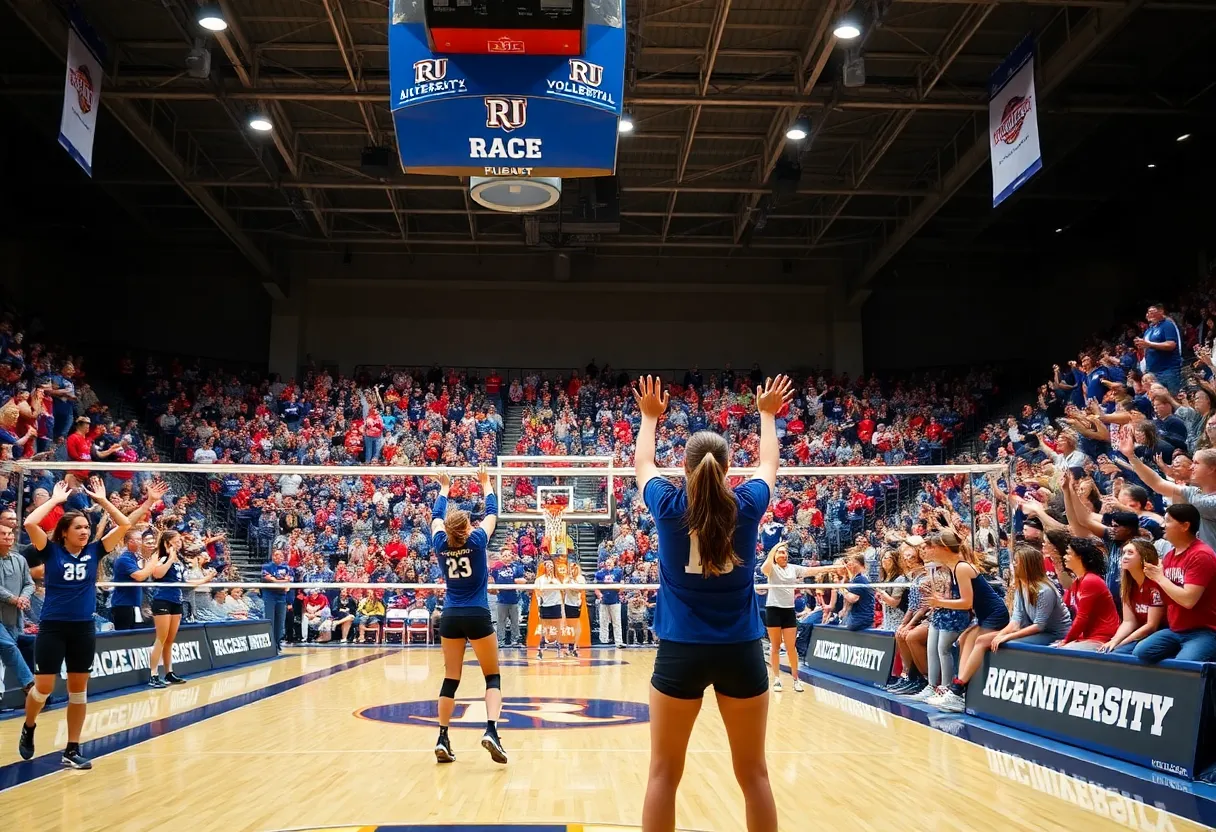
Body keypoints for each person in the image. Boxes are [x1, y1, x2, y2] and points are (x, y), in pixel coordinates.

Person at [634, 374, 792, 832]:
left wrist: (650, 417)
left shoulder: (667, 504)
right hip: (741, 651)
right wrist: (766, 415)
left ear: (684, 469)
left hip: (680, 651)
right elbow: (768, 464)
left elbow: (643, 461)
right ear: (725, 470)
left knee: (663, 775)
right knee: (754, 776)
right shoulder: (746, 502)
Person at [19, 479, 133, 770]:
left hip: (83, 627)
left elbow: (123, 525)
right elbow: (31, 522)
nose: (84, 532)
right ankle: (29, 725)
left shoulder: (95, 551)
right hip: (53, 627)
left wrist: (103, 500)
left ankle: (72, 749)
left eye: (86, 527)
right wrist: (55, 500)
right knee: (43, 688)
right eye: (78, 528)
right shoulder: (50, 550)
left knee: (78, 691)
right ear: (65, 532)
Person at [430, 465, 505, 764]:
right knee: (492, 677)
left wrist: (444, 488)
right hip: (477, 613)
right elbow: (492, 512)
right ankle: (491, 731)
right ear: (467, 528)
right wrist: (486, 483)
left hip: (450, 615)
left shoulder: (439, 543)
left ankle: (442, 736)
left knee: (451, 678)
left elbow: (436, 518)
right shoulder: (476, 542)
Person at [1134, 503, 1216, 662]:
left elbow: (1188, 600)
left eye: (1168, 521)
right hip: (1175, 629)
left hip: (1205, 631)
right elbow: (1167, 598)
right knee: (1141, 653)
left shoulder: (1201, 555)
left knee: (1182, 666)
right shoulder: (1170, 555)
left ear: (1185, 525)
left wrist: (1159, 578)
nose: (1163, 525)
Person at [148, 530, 212, 688]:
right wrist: (170, 558)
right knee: (160, 638)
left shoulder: (179, 563)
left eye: (179, 541)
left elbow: (185, 584)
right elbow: (157, 573)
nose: (179, 544)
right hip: (162, 600)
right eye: (176, 541)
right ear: (167, 543)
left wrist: (206, 579)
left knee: (170, 640)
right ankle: (153, 674)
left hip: (176, 602)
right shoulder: (162, 558)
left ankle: (169, 672)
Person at [759, 541, 814, 692]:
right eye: (780, 552)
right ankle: (776, 679)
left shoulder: (793, 569)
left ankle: (796, 679)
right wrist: (775, 547)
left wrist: (836, 567)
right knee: (775, 647)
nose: (783, 555)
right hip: (773, 610)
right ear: (774, 555)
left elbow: (813, 571)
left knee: (791, 647)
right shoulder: (771, 569)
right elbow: (765, 566)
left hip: (788, 611)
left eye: (784, 552)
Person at [1100, 539, 1165, 654]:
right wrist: (1114, 641)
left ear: (1144, 557)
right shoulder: (1127, 586)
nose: (1124, 556)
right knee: (1111, 651)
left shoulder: (1155, 585)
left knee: (1119, 652)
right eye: (1123, 553)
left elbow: (1151, 625)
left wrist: (1122, 643)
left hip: (1159, 633)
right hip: (1140, 633)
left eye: (1130, 553)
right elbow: (1129, 622)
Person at [1056, 537, 1120, 651]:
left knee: (1061, 652)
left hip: (1101, 638)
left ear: (1080, 557)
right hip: (1085, 637)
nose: (1064, 557)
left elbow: (1082, 617)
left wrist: (1066, 640)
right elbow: (1064, 607)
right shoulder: (1076, 582)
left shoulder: (1090, 581)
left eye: (1068, 554)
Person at [0, 522, 35, 696]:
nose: (8, 537)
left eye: (10, 534)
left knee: (9, 647)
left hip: (13, 616)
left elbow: (30, 583)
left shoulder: (19, 560)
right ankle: (29, 684)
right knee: (8, 646)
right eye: (3, 534)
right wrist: (14, 599)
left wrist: (24, 597)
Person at [491, 547, 525, 648]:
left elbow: (521, 580)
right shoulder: (496, 568)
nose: (506, 558)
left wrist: (515, 581)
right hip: (501, 599)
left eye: (508, 555)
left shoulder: (517, 567)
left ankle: (515, 640)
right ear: (501, 557)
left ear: (512, 556)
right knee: (501, 622)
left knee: (515, 622)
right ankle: (500, 641)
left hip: (514, 599)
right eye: (504, 556)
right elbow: (492, 579)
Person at [262, 548, 292, 647]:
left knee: (280, 621)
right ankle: (270, 644)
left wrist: (276, 580)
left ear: (283, 557)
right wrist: (280, 581)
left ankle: (278, 643)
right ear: (272, 556)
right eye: (276, 555)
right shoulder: (266, 567)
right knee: (270, 619)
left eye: (280, 555)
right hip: (269, 596)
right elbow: (270, 580)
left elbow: (288, 580)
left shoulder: (286, 568)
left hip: (281, 596)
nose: (278, 557)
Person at [595, 555, 624, 648]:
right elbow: (596, 587)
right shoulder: (599, 573)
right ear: (604, 564)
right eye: (607, 563)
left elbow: (622, 584)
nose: (608, 564)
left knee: (617, 622)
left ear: (613, 563)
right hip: (604, 601)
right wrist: (599, 595)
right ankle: (603, 641)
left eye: (610, 563)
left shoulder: (618, 572)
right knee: (603, 622)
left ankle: (619, 641)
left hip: (615, 600)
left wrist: (620, 590)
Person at [563, 560, 586, 658]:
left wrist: (572, 582)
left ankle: (575, 646)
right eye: (571, 568)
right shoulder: (566, 578)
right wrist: (569, 580)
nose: (572, 569)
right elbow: (564, 588)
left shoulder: (581, 578)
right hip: (568, 603)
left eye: (574, 567)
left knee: (576, 626)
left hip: (577, 604)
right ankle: (569, 646)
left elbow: (578, 589)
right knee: (569, 626)